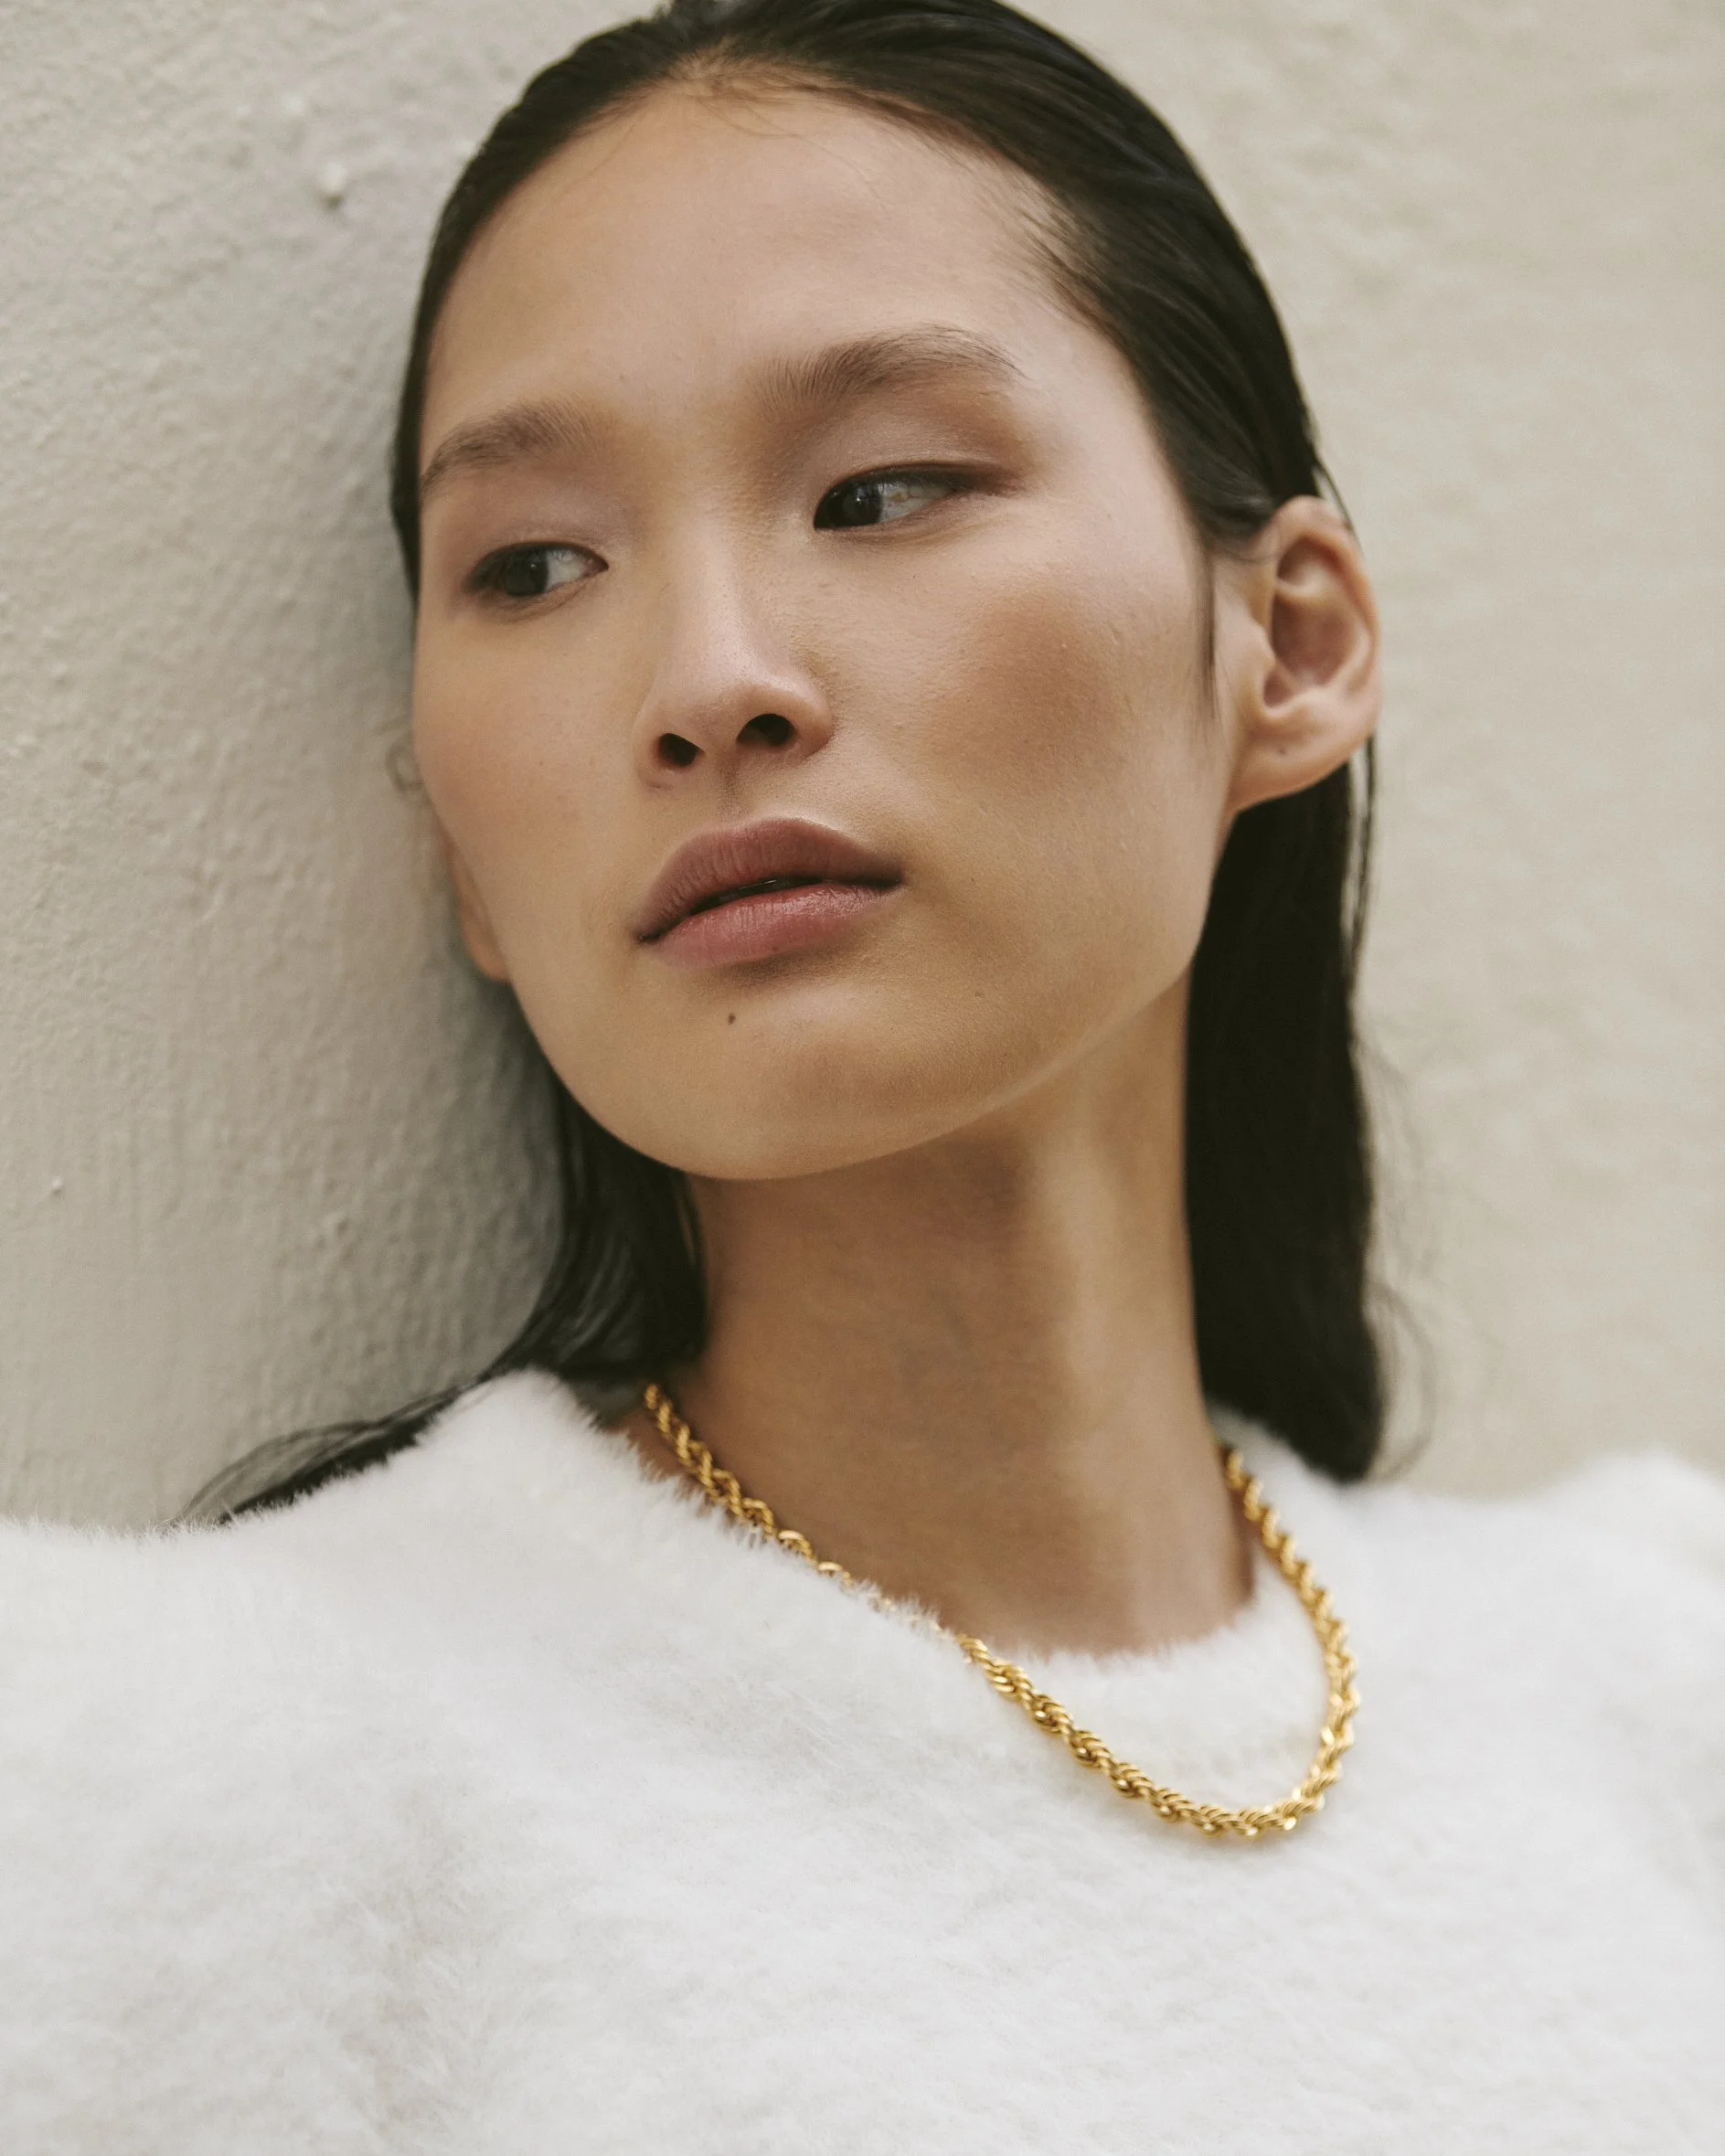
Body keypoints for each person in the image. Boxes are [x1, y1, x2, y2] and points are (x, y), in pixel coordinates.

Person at [1, 1, 1719, 2147]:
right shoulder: (160, 1784)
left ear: (1286, 644)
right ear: (462, 852)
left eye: (880, 490)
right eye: (535, 565)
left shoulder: (1657, 1688)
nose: (709, 679)